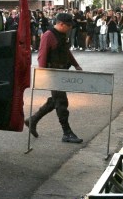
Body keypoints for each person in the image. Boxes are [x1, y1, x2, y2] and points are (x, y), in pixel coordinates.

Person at [25, 12, 85, 143]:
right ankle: (67, 132)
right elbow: (42, 55)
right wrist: (42, 74)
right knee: (61, 103)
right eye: (69, 25)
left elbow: (66, 51)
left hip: (61, 72)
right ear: (61, 24)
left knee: (55, 101)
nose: (70, 28)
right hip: (53, 73)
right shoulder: (48, 35)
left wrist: (76, 65)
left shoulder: (62, 35)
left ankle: (32, 120)